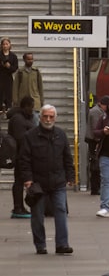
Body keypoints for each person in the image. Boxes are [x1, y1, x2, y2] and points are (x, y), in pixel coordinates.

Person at [19, 104, 74, 255]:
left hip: (58, 181)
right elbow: (24, 160)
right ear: (40, 117)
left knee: (61, 211)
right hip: (38, 183)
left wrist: (70, 176)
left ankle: (62, 244)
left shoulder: (61, 135)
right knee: (37, 215)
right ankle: (40, 245)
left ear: (55, 118)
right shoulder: (30, 136)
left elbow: (67, 158)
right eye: (45, 116)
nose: (48, 119)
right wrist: (28, 179)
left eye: (51, 117)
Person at [7, 96, 34, 218]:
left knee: (19, 181)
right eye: (31, 107)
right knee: (19, 181)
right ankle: (18, 207)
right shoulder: (18, 119)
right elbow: (21, 138)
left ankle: (20, 206)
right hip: (20, 155)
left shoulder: (22, 118)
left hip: (22, 154)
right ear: (25, 106)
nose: (32, 110)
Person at [86, 95, 109, 195]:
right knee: (96, 165)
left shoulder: (98, 111)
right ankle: (95, 188)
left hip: (95, 140)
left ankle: (96, 188)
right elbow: (96, 129)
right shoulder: (96, 112)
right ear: (102, 104)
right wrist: (99, 141)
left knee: (97, 164)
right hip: (94, 141)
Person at [13, 52, 43, 124]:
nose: (30, 61)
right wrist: (15, 100)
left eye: (32, 59)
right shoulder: (20, 72)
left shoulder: (36, 72)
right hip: (23, 103)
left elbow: (40, 87)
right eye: (28, 59)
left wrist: (41, 100)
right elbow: (15, 87)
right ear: (24, 60)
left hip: (35, 102)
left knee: (35, 123)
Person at [0, 38, 18, 111]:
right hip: (0, 77)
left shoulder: (13, 56)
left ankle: (8, 109)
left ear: (10, 45)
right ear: (1, 45)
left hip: (8, 78)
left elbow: (15, 68)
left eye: (7, 44)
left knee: (8, 94)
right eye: (3, 44)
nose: (5, 46)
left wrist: (9, 67)